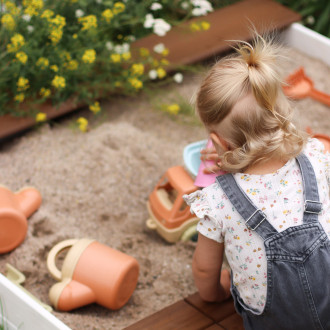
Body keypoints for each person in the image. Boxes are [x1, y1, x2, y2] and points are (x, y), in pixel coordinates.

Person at [183, 34, 330, 330]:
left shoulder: (217, 201)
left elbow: (204, 267)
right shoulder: (314, 156)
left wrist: (215, 293)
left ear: (216, 141)